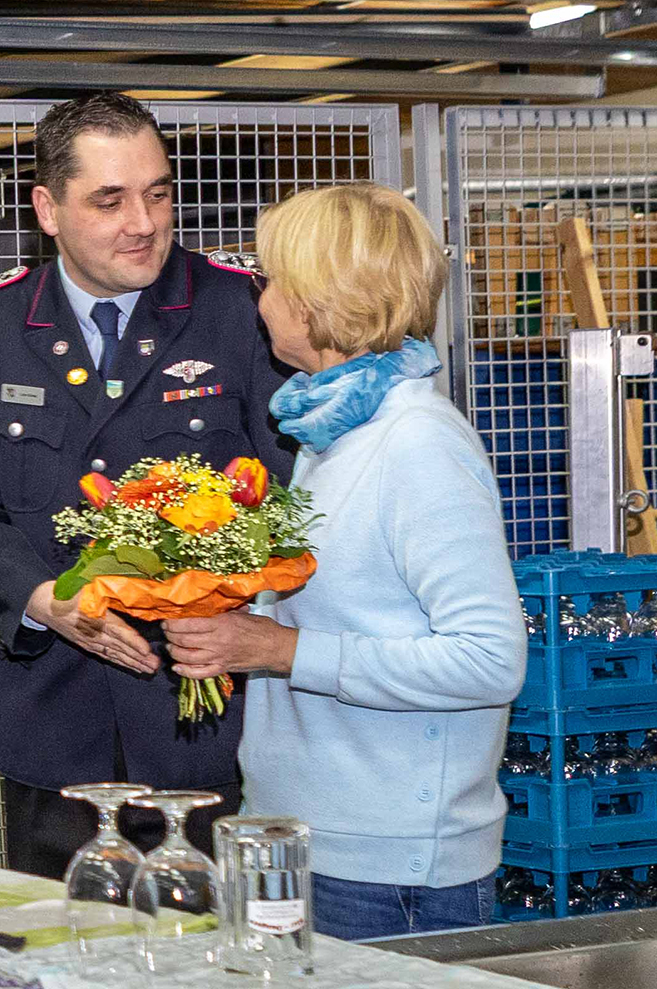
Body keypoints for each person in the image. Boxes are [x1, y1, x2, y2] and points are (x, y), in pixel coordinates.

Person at [0, 91, 295, 878]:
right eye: (110, 200)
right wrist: (44, 599)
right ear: (47, 209)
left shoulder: (237, 309)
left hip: (203, 730)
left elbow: (289, 493)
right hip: (55, 732)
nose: (144, 222)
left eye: (158, 194)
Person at [165, 183, 526, 940]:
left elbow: (490, 661)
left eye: (271, 281)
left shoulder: (417, 443)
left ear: (318, 299)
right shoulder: (334, 431)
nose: (260, 299)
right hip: (295, 835)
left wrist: (279, 649)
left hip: (386, 871)